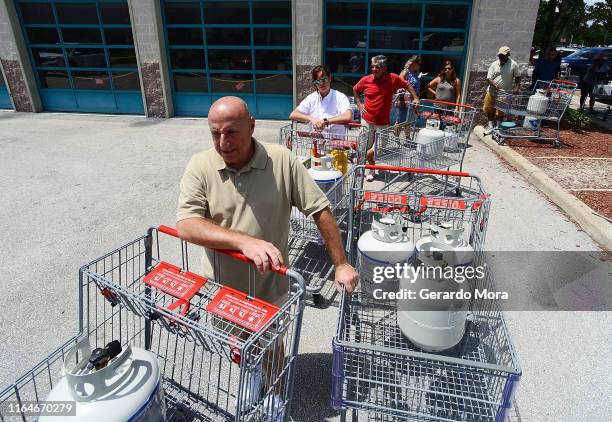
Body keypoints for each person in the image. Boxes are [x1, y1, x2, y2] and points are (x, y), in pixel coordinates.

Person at [176, 97, 358, 418]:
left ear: (252, 125)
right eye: (215, 134)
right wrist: (243, 241)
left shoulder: (282, 161)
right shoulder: (201, 165)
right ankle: (252, 373)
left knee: (271, 345)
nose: (223, 142)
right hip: (224, 288)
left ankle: (274, 391)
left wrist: (341, 264)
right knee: (239, 342)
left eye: (231, 132)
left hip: (269, 286)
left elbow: (320, 210)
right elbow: (188, 225)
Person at [353, 55, 420, 181]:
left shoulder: (393, 78)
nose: (373, 69)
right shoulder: (366, 80)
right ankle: (371, 169)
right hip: (367, 120)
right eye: (372, 66)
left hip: (383, 123)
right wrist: (359, 104)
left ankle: (363, 161)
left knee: (379, 148)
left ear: (384, 68)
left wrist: (416, 97)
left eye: (377, 67)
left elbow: (407, 85)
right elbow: (355, 90)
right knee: (365, 146)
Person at [289, 65, 352, 137]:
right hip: (316, 143)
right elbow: (293, 114)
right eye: (318, 81)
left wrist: (326, 122)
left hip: (336, 143)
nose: (322, 84)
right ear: (315, 83)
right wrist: (312, 119)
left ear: (330, 79)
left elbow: (348, 116)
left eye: (324, 80)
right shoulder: (312, 98)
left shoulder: (340, 97)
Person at [483, 46, 521, 135]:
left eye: (503, 55)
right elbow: (488, 78)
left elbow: (518, 77)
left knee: (500, 111)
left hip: (504, 92)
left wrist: (517, 87)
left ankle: (498, 128)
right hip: (492, 90)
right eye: (499, 55)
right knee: (489, 109)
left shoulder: (513, 64)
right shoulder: (494, 64)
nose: (501, 57)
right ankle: (490, 127)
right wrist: (494, 85)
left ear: (508, 55)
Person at [393, 55, 427, 136]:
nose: (419, 66)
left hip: (412, 101)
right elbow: (399, 83)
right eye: (418, 64)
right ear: (414, 63)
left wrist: (419, 77)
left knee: (408, 120)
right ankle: (396, 139)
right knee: (400, 120)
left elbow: (412, 83)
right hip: (405, 100)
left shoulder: (413, 73)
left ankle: (407, 138)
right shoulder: (405, 72)